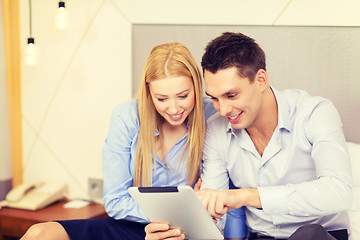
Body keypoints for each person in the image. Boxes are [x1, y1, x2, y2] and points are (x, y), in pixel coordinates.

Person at [145, 32, 353, 240]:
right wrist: (178, 232)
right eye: (215, 99)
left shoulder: (314, 113)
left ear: (261, 80)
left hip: (320, 235)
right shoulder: (216, 130)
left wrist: (244, 196)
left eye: (231, 95)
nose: (224, 109)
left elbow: (339, 192)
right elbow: (213, 220)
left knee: (310, 234)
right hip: (259, 236)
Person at [20, 42, 219, 240]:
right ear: (149, 93)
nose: (174, 109)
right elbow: (115, 200)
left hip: (189, 230)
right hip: (136, 225)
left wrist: (183, 221)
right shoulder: (126, 118)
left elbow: (223, 199)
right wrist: (168, 217)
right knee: (39, 234)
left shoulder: (214, 114)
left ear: (196, 86)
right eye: (162, 99)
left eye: (183, 96)